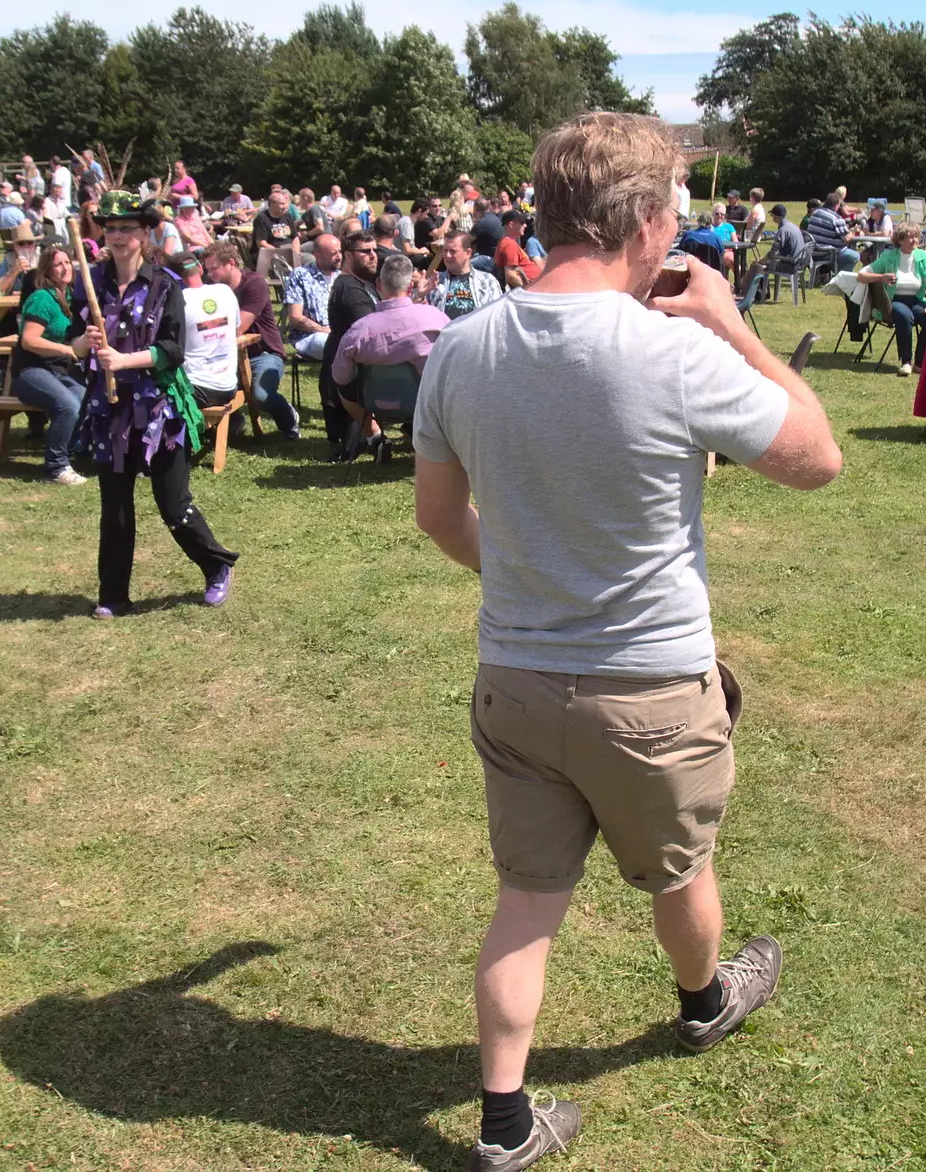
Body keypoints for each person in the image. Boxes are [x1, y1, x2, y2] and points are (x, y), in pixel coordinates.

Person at [412, 112, 840, 1171]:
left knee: (525, 901)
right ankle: (703, 1001)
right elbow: (818, 457)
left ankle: (504, 1121)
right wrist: (733, 324)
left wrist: (521, 580)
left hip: (516, 678)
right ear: (646, 221)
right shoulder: (670, 353)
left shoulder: (459, 348)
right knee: (679, 867)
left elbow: (434, 517)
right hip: (650, 684)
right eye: (675, 217)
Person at [78, 190, 238, 618]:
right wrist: (83, 344)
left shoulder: (165, 285)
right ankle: (113, 595)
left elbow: (172, 350)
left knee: (173, 504)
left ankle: (216, 565)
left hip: (158, 411)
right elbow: (72, 341)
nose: (117, 236)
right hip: (109, 411)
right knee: (114, 505)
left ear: (145, 232)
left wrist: (123, 359)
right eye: (110, 229)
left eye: (126, 229)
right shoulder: (93, 281)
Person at [332, 254, 450, 439]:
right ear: (411, 285)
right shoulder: (435, 318)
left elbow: (340, 377)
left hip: (374, 401)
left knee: (344, 387)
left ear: (378, 284)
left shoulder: (358, 331)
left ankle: (373, 435)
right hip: (426, 402)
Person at [201, 240, 301, 438]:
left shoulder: (254, 283)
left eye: (214, 268)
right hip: (226, 355)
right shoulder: (211, 289)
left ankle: (288, 418)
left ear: (231, 262)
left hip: (264, 352)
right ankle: (235, 421)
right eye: (207, 269)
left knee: (261, 396)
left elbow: (239, 327)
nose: (210, 274)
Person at [12, 242, 90, 486]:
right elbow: (28, 340)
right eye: (58, 264)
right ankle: (56, 467)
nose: (65, 268)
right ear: (47, 270)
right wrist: (67, 349)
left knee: (87, 400)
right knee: (67, 406)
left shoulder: (69, 296)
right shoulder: (42, 298)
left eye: (68, 262)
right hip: (30, 371)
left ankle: (74, 449)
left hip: (57, 371)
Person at [320, 228, 381, 453]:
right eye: (365, 251)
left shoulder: (363, 283)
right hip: (349, 388)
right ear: (348, 256)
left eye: (374, 249)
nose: (373, 255)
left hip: (356, 376)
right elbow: (370, 330)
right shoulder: (349, 288)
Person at [858, 223, 926, 374]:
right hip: (894, 300)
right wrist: (882, 277)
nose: (915, 240)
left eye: (917, 237)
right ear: (900, 240)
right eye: (910, 237)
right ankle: (906, 362)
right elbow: (861, 276)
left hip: (916, 300)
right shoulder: (888, 256)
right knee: (904, 315)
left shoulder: (923, 257)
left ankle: (919, 363)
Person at [168, 251, 244, 408]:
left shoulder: (177, 302)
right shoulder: (225, 291)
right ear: (201, 269)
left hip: (197, 391)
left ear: (172, 277)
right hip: (229, 387)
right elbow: (237, 329)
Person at [419, 228, 504, 320]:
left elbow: (498, 316)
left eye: (453, 251)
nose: (447, 255)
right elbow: (421, 319)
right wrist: (420, 296)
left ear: (468, 253)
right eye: (445, 250)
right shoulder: (435, 282)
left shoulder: (488, 281)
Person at [282, 233, 341, 359]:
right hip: (310, 336)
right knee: (334, 345)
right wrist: (324, 330)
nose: (339, 257)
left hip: (340, 333)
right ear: (317, 256)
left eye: (340, 252)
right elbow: (295, 318)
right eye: (333, 253)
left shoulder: (342, 277)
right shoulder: (301, 275)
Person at [807, 193, 858, 271]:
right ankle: (842, 278)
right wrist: (853, 233)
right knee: (855, 256)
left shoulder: (815, 213)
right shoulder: (836, 218)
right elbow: (846, 238)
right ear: (837, 205)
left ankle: (839, 275)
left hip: (813, 251)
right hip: (829, 253)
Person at [494, 209, 541, 288]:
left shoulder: (508, 242)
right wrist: (529, 290)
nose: (525, 225)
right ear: (511, 224)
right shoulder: (509, 244)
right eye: (522, 223)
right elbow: (510, 275)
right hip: (532, 289)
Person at [0, 223, 41, 296]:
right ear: (14, 246)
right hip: (12, 304)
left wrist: (24, 294)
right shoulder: (9, 258)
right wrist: (13, 272)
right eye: (21, 243)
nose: (26, 246)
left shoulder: (41, 256)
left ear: (34, 244)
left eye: (30, 242)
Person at [253, 189, 299, 256]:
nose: (286, 206)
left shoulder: (287, 216)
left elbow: (295, 238)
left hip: (289, 253)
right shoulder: (262, 219)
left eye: (286, 203)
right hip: (269, 255)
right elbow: (261, 243)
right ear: (272, 204)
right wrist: (280, 253)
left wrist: (296, 253)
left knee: (309, 259)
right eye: (282, 204)